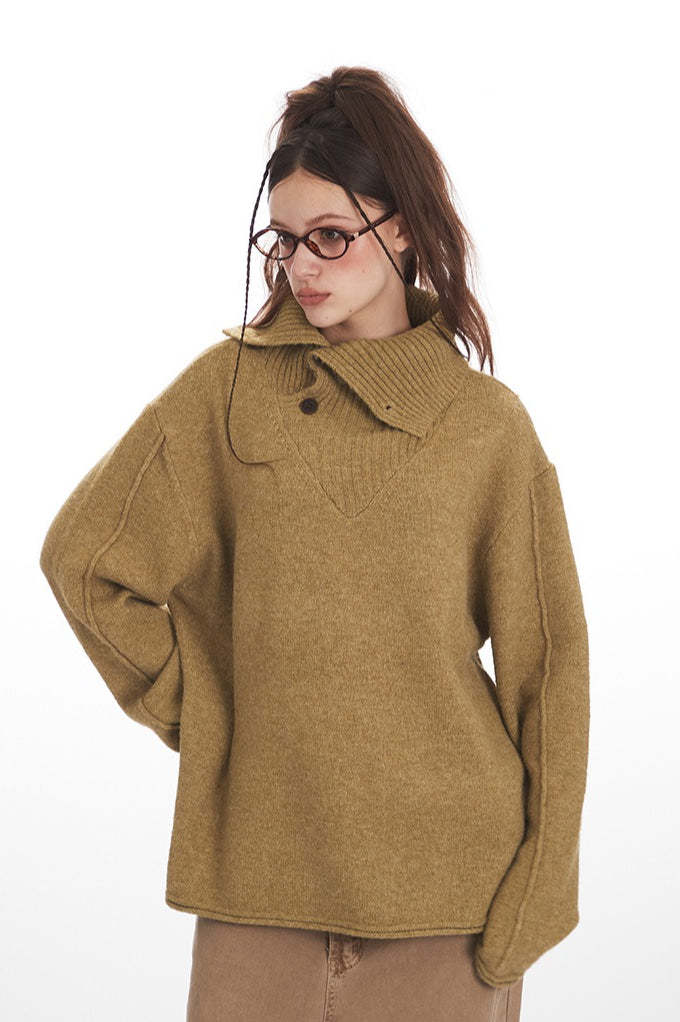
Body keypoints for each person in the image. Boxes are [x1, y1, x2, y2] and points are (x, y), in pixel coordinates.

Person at [39, 65, 590, 1022]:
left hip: (450, 900)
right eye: (285, 240)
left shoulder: (486, 428)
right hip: (259, 894)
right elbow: (85, 562)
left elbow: (549, 667)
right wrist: (212, 714)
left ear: (403, 228)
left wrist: (545, 885)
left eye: (331, 235)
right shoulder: (225, 393)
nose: (304, 265)